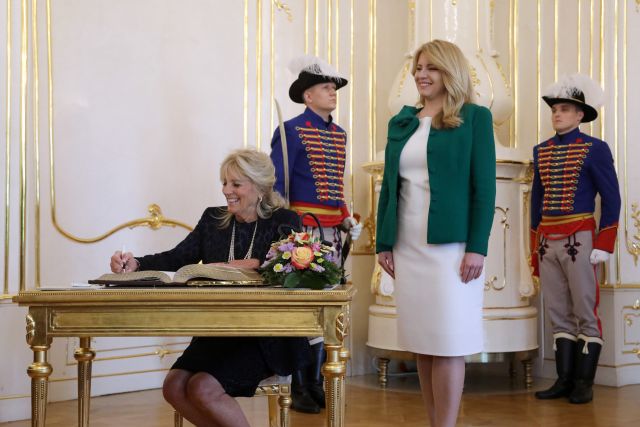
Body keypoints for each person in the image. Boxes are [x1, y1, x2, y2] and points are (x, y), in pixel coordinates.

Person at [109, 149, 310, 427]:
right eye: (224, 183)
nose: (226, 191)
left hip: (263, 334)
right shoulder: (213, 219)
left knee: (202, 388)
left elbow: (288, 268)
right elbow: (177, 257)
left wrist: (249, 263)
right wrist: (136, 263)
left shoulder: (284, 220)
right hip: (218, 329)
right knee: (173, 386)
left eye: (236, 184)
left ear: (259, 187)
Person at [376, 40, 496, 427]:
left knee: (447, 342)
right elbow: (389, 186)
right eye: (418, 67)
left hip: (452, 249)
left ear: (450, 71)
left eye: (431, 67)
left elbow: (485, 188)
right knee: (424, 345)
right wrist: (383, 243)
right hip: (407, 246)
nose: (421, 74)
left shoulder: (475, 118)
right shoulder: (402, 122)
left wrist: (477, 248)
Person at [269, 54, 362, 413]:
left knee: (326, 308)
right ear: (308, 96)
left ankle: (316, 383)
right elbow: (278, 185)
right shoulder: (290, 131)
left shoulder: (339, 135)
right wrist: (286, 229)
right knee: (304, 308)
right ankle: (300, 385)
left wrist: (345, 217)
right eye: (326, 87)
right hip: (303, 232)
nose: (332, 92)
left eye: (333, 88)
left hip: (332, 233)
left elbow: (336, 187)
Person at [530, 74, 621, 404]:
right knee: (557, 310)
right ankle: (564, 380)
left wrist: (604, 243)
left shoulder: (595, 149)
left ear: (580, 115)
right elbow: (536, 202)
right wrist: (533, 247)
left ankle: (584, 382)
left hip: (579, 238)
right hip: (547, 239)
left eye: (565, 109)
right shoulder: (541, 151)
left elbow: (611, 198)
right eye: (555, 109)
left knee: (585, 308)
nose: (557, 114)